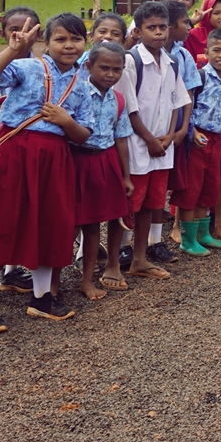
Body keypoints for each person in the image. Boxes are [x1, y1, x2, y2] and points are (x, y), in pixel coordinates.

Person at [0, 14, 96, 333]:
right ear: (46, 43)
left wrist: (66, 121)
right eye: (60, 39)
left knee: (48, 223)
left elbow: (83, 134)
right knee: (2, 221)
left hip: (55, 159)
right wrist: (13, 50)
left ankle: (41, 299)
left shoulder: (83, 82)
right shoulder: (29, 67)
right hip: (16, 154)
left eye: (76, 39)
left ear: (86, 43)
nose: (69, 45)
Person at [116, 2, 192, 282]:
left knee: (152, 204)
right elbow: (128, 108)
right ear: (138, 30)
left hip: (162, 147)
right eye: (152, 28)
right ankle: (115, 262)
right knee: (128, 206)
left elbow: (177, 101)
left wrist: (171, 135)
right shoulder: (130, 61)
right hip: (137, 147)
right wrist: (149, 140)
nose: (159, 33)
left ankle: (139, 258)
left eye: (163, 27)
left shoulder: (171, 62)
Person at [170, 27, 221, 257]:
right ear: (206, 51)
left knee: (209, 187)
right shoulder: (200, 76)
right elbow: (186, 107)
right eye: (217, 50)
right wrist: (192, 132)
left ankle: (203, 233)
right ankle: (188, 239)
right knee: (191, 188)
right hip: (198, 138)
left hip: (217, 140)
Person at [71, 40, 134, 300]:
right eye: (104, 68)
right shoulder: (76, 93)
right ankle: (49, 284)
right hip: (76, 161)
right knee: (68, 224)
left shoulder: (117, 99)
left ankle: (87, 281)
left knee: (94, 223)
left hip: (103, 161)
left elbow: (120, 138)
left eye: (116, 70)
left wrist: (126, 176)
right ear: (89, 66)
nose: (110, 74)